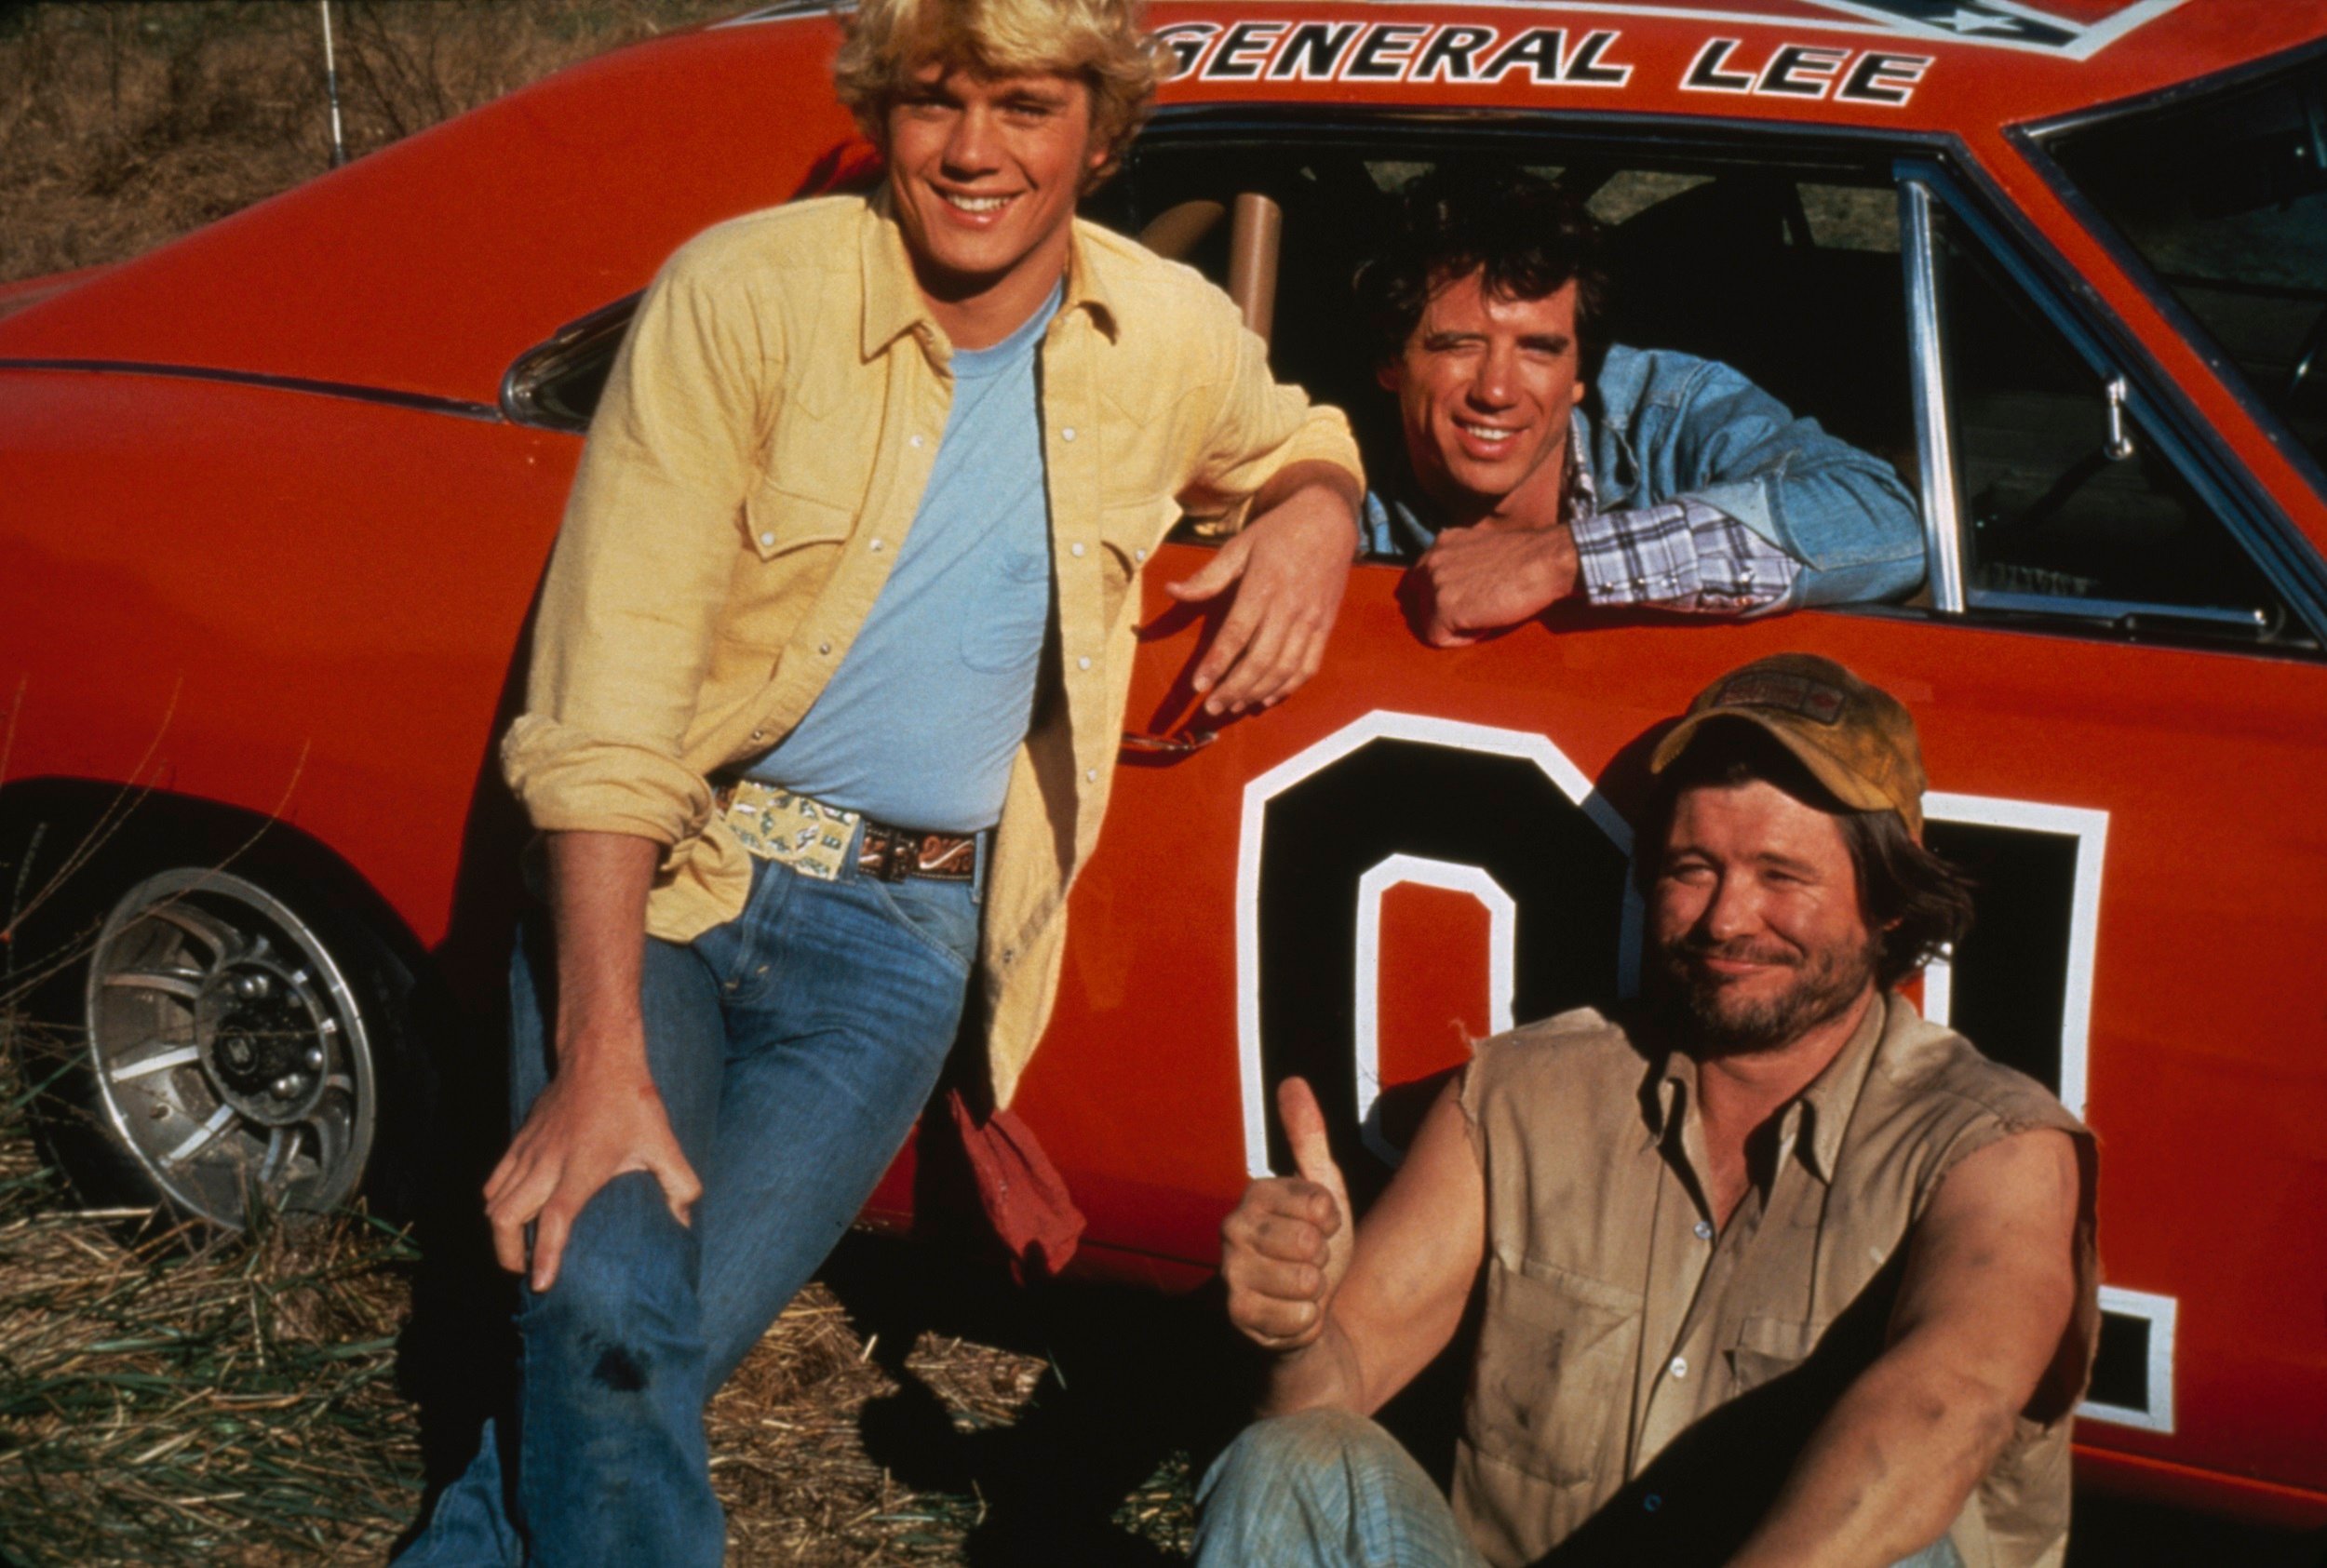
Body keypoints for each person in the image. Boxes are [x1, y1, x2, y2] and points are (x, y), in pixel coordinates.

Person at [397, 0, 1364, 1558]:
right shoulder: (742, 294)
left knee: (641, 1348)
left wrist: (1315, 502)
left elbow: (1297, 429)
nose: (975, 151)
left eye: (1027, 106)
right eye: (936, 102)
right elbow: (606, 699)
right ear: (884, 118)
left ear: (1101, 138)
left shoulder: (1162, 334)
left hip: (897, 942)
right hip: (673, 881)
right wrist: (597, 1058)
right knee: (613, 1303)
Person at [1203, 652, 2098, 1568]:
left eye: (1782, 875)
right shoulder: (1521, 1094)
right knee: (1292, 1456)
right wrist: (1289, 1333)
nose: (1724, 918)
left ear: (1891, 907)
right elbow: (1327, 1388)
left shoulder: (1994, 1146)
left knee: (1903, 1555)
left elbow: (1949, 1398)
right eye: (1692, 867)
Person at [1354, 166, 1925, 645]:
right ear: (1390, 364)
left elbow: (1886, 523)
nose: (1496, 391)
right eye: (1459, 346)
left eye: (1539, 351)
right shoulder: (1335, 484)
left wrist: (1563, 560)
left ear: (1581, 373)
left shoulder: (1667, 410)